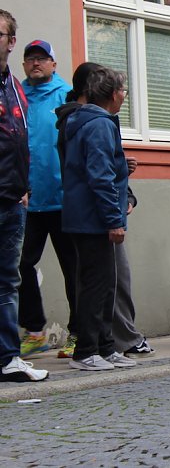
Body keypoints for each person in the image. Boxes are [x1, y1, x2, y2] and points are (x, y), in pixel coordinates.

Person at [57, 62, 153, 358]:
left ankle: (106, 348)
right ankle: (87, 352)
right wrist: (115, 220)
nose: (125, 95)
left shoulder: (92, 121)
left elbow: (103, 168)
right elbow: (98, 176)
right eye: (123, 90)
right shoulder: (98, 124)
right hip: (92, 219)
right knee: (96, 287)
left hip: (90, 216)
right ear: (112, 94)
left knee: (106, 285)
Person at [16, 40, 76, 358]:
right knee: (21, 265)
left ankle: (78, 333)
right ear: (23, 65)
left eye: (42, 58)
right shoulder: (16, 97)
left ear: (53, 64)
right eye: (30, 59)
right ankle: (35, 331)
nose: (36, 63)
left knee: (73, 269)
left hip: (64, 201)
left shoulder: (66, 96)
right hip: (28, 200)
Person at [0, 9, 49, 382]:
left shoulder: (15, 87)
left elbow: (22, 141)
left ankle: (7, 357)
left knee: (8, 280)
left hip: (14, 199)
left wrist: (25, 189)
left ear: (10, 42)